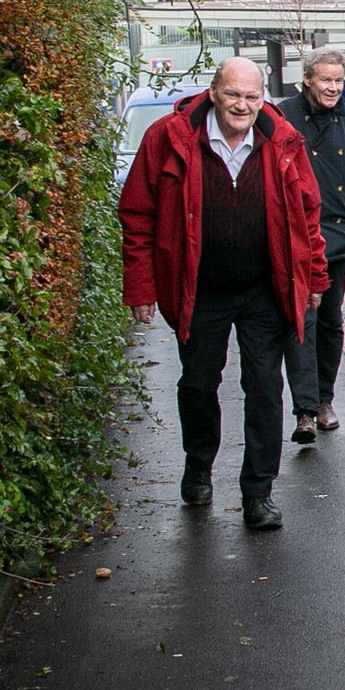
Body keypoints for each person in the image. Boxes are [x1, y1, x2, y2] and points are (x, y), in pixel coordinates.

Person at [119, 58, 329, 531]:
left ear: (264, 98)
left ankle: (258, 493)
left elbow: (307, 215)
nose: (243, 105)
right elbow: (137, 216)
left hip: (263, 287)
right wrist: (141, 287)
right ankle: (198, 465)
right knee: (197, 385)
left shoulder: (283, 141)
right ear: (213, 92)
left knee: (264, 388)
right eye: (234, 94)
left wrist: (315, 278)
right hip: (198, 288)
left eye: (252, 97)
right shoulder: (168, 139)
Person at [278, 47, 345, 442]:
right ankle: (304, 410)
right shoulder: (283, 117)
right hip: (295, 240)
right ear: (307, 80)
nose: (333, 87)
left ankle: (325, 399)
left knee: (331, 323)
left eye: (338, 81)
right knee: (302, 322)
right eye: (325, 80)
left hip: (336, 239)